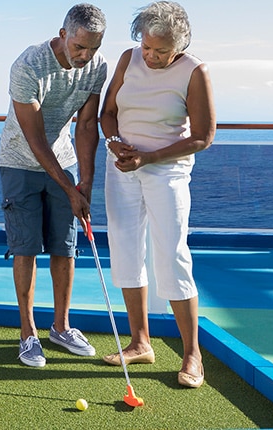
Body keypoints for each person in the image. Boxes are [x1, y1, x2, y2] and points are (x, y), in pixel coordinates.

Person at [99, 1, 215, 388]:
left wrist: (148, 158)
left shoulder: (194, 71)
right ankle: (140, 343)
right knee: (125, 250)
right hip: (122, 169)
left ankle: (192, 355)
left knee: (172, 256)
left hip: (167, 172)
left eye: (161, 51)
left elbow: (203, 137)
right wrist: (115, 144)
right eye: (146, 46)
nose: (150, 56)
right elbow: (107, 114)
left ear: (179, 46)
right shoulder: (128, 59)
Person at [0, 3, 107, 367]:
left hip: (65, 159)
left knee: (65, 246)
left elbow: (87, 125)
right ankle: (27, 333)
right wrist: (69, 189)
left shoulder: (97, 66)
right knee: (26, 246)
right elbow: (35, 139)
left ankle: (61, 327)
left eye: (93, 47)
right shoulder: (28, 65)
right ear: (63, 35)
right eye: (79, 47)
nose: (85, 55)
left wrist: (86, 182)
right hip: (19, 160)